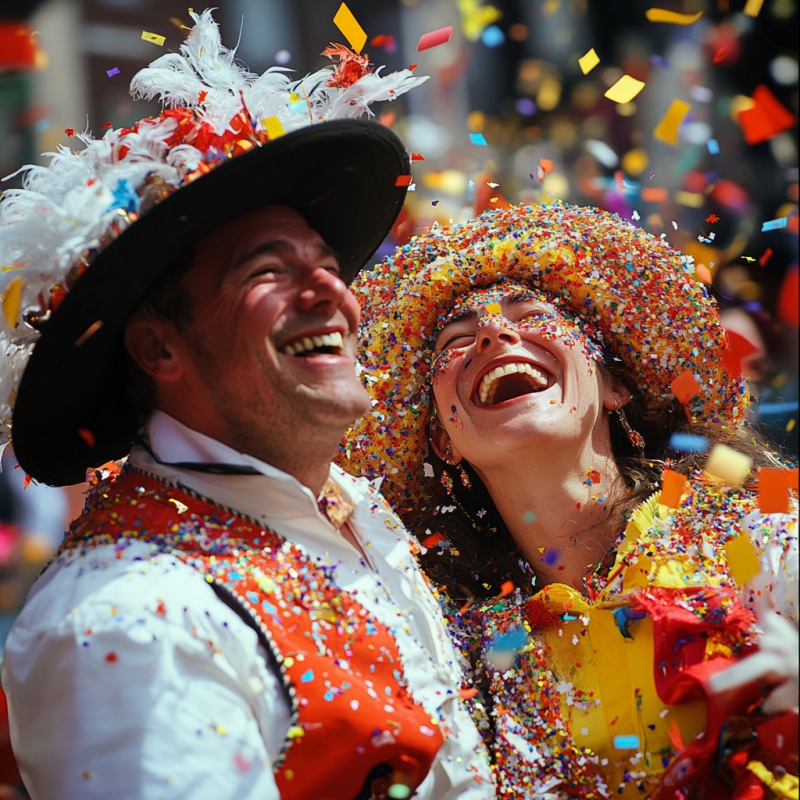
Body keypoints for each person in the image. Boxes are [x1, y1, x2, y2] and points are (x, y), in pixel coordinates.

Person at [0, 12, 494, 800]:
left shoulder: (355, 509)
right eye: (269, 269)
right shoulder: (130, 615)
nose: (332, 292)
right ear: (160, 350)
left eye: (330, 265)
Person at [342, 203, 799, 798]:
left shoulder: (759, 533)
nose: (493, 333)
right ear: (442, 441)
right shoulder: (451, 649)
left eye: (531, 315)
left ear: (615, 385)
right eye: (456, 340)